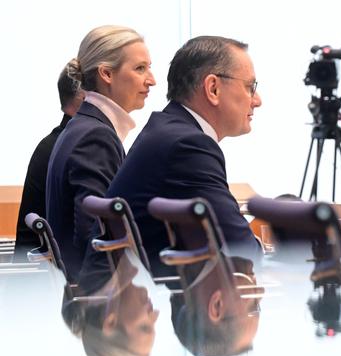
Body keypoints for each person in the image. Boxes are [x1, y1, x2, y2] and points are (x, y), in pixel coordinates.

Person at [101, 35, 262, 277]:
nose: (257, 101)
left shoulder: (166, 130)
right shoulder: (188, 146)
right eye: (251, 87)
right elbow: (242, 252)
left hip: (145, 299)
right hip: (163, 306)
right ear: (213, 88)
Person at [46, 25, 156, 282]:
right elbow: (98, 243)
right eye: (140, 68)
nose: (152, 79)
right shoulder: (97, 137)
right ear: (106, 73)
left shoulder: (81, 126)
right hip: (99, 308)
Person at [14, 67, 84, 252]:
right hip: (47, 275)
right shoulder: (79, 146)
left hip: (35, 271)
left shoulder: (56, 141)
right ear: (84, 97)